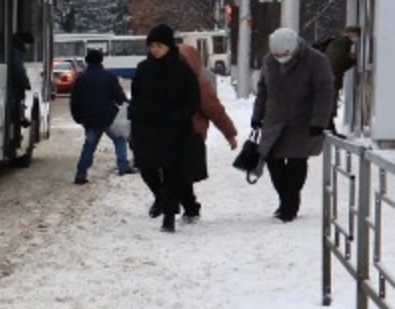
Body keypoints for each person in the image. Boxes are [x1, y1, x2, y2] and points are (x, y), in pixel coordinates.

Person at [251, 27, 335, 223]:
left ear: (295, 48)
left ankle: (289, 206)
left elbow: (324, 93)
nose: (280, 58)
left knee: (297, 161)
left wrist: (319, 122)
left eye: (284, 55)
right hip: (274, 120)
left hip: (303, 121)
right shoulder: (269, 61)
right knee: (272, 160)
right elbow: (263, 91)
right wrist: (257, 116)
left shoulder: (316, 61)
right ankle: (286, 200)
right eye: (277, 55)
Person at [129, 24, 202, 232]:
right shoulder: (144, 68)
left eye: (159, 46)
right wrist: (135, 115)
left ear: (169, 46)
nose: (155, 50)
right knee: (146, 168)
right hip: (146, 130)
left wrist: (179, 117)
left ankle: (168, 218)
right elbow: (136, 95)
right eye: (152, 45)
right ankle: (161, 197)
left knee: (172, 173)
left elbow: (193, 100)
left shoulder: (182, 70)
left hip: (174, 132)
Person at [175, 42, 239, 223]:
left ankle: (190, 207)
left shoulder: (199, 84)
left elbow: (215, 110)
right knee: (173, 171)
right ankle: (180, 204)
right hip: (169, 133)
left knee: (181, 173)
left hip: (191, 133)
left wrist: (230, 134)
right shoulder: (165, 79)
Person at [70, 48, 134, 184]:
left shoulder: (81, 79)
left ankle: (81, 174)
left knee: (89, 146)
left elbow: (75, 101)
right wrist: (128, 105)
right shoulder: (109, 77)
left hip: (90, 119)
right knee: (119, 139)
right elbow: (119, 98)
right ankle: (123, 166)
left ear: (87, 61)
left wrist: (78, 117)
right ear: (101, 60)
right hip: (109, 117)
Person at [321, 26, 359, 130]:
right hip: (332, 76)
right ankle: (329, 125)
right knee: (331, 99)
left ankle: (329, 125)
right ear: (351, 33)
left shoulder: (339, 42)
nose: (357, 38)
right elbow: (338, 63)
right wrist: (353, 61)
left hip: (329, 74)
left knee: (331, 99)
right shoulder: (343, 43)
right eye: (357, 35)